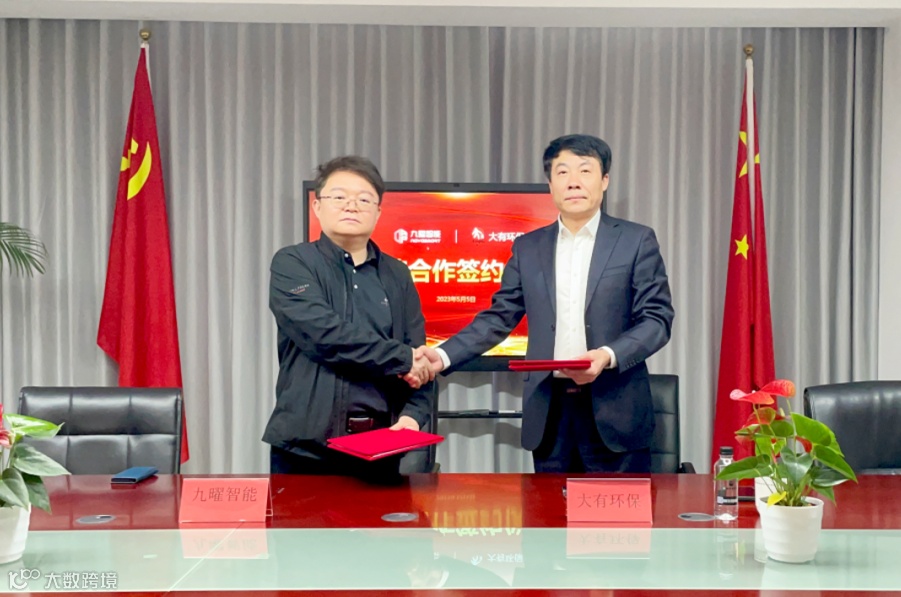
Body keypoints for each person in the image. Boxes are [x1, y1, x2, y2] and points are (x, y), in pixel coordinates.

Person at [421, 134, 674, 473]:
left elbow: (657, 319)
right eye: (562, 172)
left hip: (616, 410)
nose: (574, 182)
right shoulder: (528, 247)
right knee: (547, 508)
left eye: (585, 171)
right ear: (550, 185)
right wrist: (442, 355)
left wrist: (606, 355)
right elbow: (499, 317)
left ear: (604, 181)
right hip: (550, 412)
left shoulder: (635, 240)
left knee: (616, 510)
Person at [264, 155, 435, 478]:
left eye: (364, 199)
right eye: (339, 197)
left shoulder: (397, 274)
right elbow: (325, 335)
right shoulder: (293, 262)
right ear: (317, 206)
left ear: (378, 212)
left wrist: (413, 417)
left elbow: (419, 355)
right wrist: (403, 358)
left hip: (382, 447)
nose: (351, 206)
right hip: (305, 450)